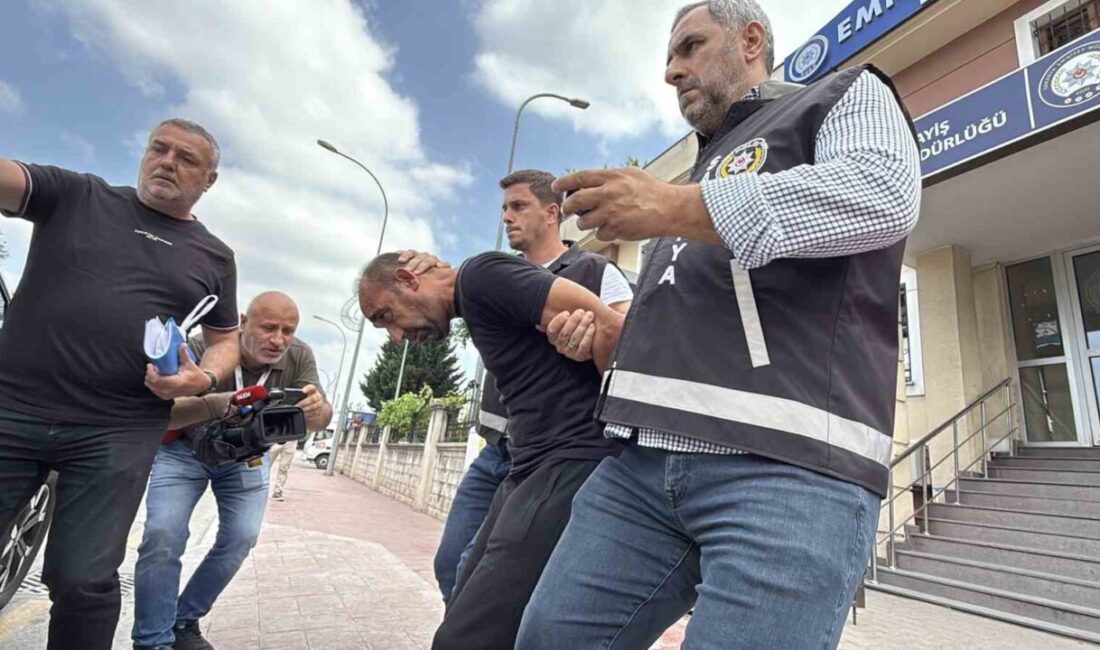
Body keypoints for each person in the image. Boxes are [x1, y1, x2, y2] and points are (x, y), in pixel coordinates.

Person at [517, 2, 922, 648]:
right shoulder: (699, 174)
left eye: (690, 47)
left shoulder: (844, 92)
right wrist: (608, 341)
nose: (671, 71)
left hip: (789, 469)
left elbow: (881, 194)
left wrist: (672, 204)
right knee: (547, 638)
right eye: (669, 59)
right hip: (639, 469)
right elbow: (699, 310)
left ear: (751, 40)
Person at [0, 119, 240, 650]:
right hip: (12, 406)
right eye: (159, 149)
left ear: (209, 180)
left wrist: (203, 376)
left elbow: (226, 339)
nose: (167, 162)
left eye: (186, 158)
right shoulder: (77, 195)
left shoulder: (216, 257)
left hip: (118, 428)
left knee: (82, 578)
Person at [357, 249, 626, 649]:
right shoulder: (475, 296)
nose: (397, 337)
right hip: (528, 465)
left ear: (408, 280)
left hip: (568, 459)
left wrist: (625, 433)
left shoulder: (481, 276)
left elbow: (611, 328)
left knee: (466, 637)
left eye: (387, 316)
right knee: (461, 597)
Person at [429, 169, 633, 605]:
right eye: (504, 208)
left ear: (552, 213)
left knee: (507, 582)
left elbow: (624, 338)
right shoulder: (492, 278)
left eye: (519, 206)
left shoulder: (596, 270)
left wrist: (588, 339)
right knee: (452, 564)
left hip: (556, 453)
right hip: (497, 449)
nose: (507, 217)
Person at [132, 291, 332, 650]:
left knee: (242, 537)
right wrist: (224, 404)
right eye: (269, 328)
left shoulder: (299, 355)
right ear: (242, 323)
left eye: (288, 330)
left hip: (247, 457)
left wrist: (318, 410)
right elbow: (167, 414)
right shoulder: (199, 347)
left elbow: (322, 417)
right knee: (163, 536)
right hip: (184, 452)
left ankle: (183, 621)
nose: (279, 340)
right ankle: (152, 641)